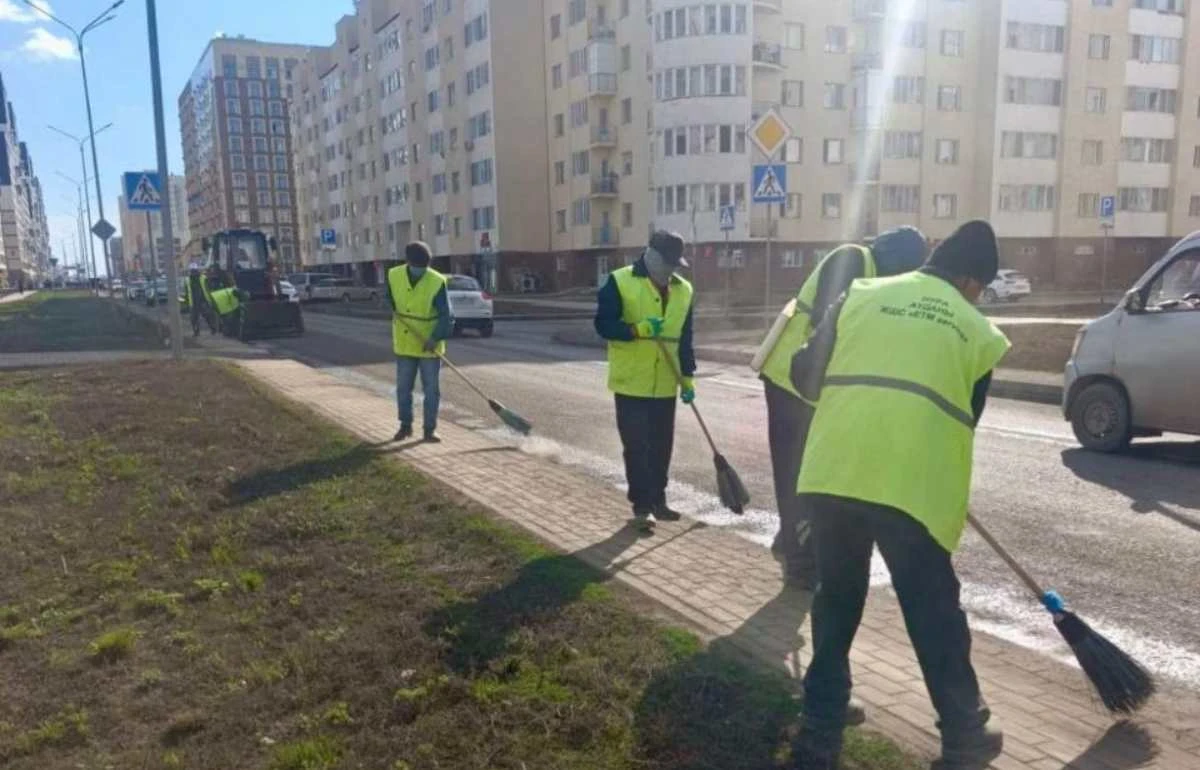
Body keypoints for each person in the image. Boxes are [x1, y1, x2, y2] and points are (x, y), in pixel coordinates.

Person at [789, 221, 1011, 770]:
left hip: (836, 472)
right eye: (979, 288)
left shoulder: (861, 294)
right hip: (911, 486)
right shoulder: (976, 329)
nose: (977, 296)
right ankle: (964, 733)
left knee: (836, 594)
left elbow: (803, 374)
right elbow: (967, 417)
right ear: (970, 281)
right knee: (933, 610)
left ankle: (822, 714)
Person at [756, 227, 928, 587]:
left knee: (813, 471)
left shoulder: (870, 277)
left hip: (813, 388)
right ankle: (799, 563)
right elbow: (826, 322)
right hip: (790, 380)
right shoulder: (852, 259)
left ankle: (789, 540)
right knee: (795, 474)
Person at [594, 230, 696, 533]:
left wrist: (688, 377)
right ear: (651, 256)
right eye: (667, 263)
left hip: (666, 381)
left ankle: (659, 501)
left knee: (662, 446)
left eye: (675, 265)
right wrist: (636, 330)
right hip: (631, 383)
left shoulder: (684, 289)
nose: (671, 271)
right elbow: (603, 325)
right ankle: (642, 507)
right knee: (636, 446)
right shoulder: (619, 281)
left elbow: (686, 337)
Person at [387, 241, 452, 443]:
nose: (420, 271)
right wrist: (393, 308)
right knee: (403, 388)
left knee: (431, 390)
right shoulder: (394, 275)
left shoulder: (436, 281)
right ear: (408, 261)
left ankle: (429, 430)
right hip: (406, 342)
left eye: (424, 267)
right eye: (417, 266)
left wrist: (435, 337)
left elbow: (447, 316)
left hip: (429, 346)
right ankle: (405, 426)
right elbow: (389, 298)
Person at [185, 265, 216, 336]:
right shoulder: (188, 280)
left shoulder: (203, 278)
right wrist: (187, 302)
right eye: (192, 271)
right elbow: (187, 292)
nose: (194, 272)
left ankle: (213, 329)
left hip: (203, 300)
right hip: (193, 302)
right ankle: (196, 332)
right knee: (194, 319)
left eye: (195, 271)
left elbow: (209, 286)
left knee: (208, 316)